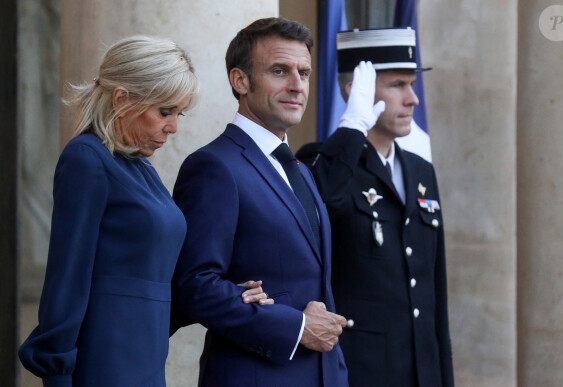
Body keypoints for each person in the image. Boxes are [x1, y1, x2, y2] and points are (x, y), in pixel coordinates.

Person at [18, 35, 271, 387]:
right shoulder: (86, 159)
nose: (173, 127)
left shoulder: (139, 169)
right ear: (122, 99)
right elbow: (67, 280)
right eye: (164, 111)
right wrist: (57, 374)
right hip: (104, 367)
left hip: (145, 363)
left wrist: (231, 292)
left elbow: (151, 287)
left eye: (178, 113)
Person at [171, 17, 349, 386]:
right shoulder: (214, 166)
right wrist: (297, 327)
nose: (297, 86)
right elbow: (193, 285)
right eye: (280, 71)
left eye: (304, 72)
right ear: (241, 81)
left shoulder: (298, 167)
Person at [299, 28, 454, 386]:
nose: (413, 99)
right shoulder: (322, 163)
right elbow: (316, 209)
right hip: (360, 370)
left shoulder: (420, 171)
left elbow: (434, 291)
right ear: (359, 91)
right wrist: (352, 128)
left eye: (412, 85)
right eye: (398, 85)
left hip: (421, 371)